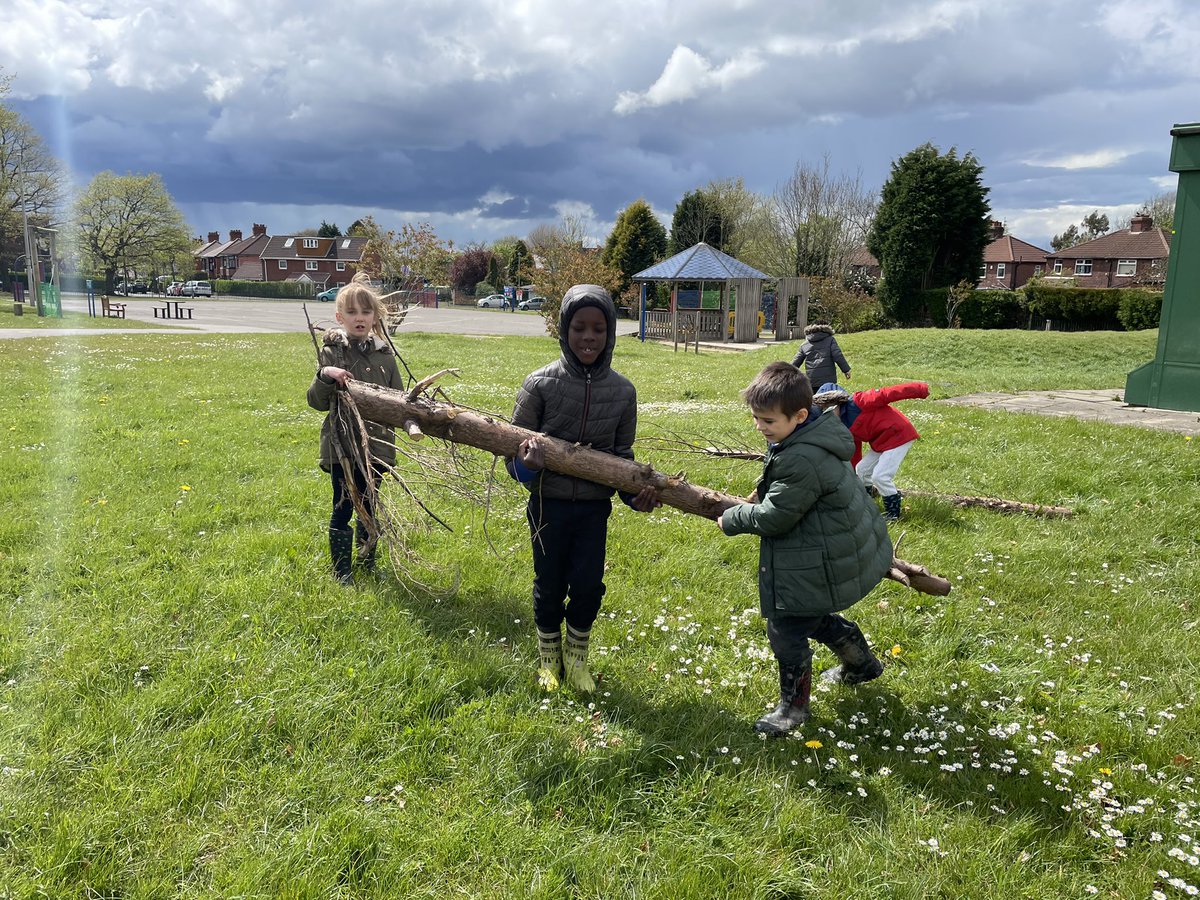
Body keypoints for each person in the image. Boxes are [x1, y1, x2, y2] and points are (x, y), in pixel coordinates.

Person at [717, 362, 893, 735]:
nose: (760, 427)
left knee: (785, 627)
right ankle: (861, 664)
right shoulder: (810, 434)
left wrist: (734, 517)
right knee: (809, 615)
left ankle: (793, 709)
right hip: (828, 545)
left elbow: (776, 517)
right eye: (756, 418)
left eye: (768, 421)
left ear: (799, 415)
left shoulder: (801, 457)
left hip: (818, 553)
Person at [508, 284, 660, 693]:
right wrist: (527, 465)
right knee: (549, 585)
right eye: (579, 328)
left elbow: (622, 460)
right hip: (548, 507)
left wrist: (636, 498)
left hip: (593, 511)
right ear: (564, 329)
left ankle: (577, 659)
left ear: (610, 333)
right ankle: (548, 660)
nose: (588, 337)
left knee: (589, 586)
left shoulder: (623, 392)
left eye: (598, 329)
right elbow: (512, 458)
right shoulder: (539, 384)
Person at [306, 273, 404, 584]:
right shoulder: (333, 352)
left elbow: (399, 400)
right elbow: (316, 402)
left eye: (365, 312)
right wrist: (326, 375)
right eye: (351, 312)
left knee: (370, 503)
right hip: (342, 446)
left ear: (375, 316)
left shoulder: (385, 356)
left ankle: (367, 559)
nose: (359, 318)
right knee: (344, 503)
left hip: (377, 446)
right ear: (340, 317)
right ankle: (341, 570)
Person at [815, 380, 930, 521]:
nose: (828, 415)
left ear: (838, 402)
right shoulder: (842, 423)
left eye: (829, 409)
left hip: (899, 435)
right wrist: (852, 473)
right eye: (823, 412)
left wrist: (920, 389)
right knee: (862, 470)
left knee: (880, 476)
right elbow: (854, 448)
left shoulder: (859, 402)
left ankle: (893, 514)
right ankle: (866, 504)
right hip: (880, 442)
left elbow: (887, 393)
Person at [790, 323, 851, 387]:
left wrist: (786, 374)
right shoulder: (830, 340)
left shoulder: (804, 345)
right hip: (828, 380)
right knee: (828, 393)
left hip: (812, 381)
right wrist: (846, 370)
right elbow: (838, 355)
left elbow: (795, 362)